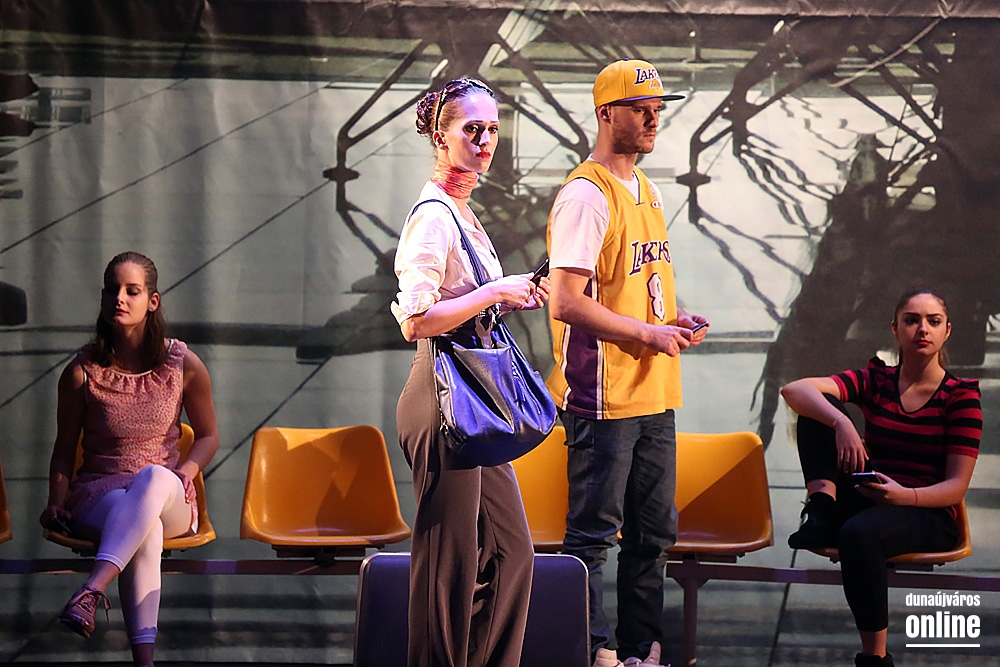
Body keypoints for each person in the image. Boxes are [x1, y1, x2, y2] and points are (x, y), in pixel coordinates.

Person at [545, 58, 707, 664]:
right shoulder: (586, 195)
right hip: (604, 395)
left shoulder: (648, 189)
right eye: (640, 108)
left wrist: (671, 321)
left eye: (657, 109)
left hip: (654, 390)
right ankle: (593, 650)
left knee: (654, 535)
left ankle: (644, 648)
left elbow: (634, 286)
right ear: (606, 112)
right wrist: (646, 332)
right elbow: (565, 301)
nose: (652, 118)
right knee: (592, 538)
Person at [392, 77, 549, 667]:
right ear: (441, 136)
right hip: (443, 394)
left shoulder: (461, 211)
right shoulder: (433, 214)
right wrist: (494, 293)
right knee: (448, 564)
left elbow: (465, 301)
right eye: (472, 130)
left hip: (474, 397)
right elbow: (417, 320)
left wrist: (505, 297)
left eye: (493, 131)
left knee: (511, 553)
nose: (485, 142)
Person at [781, 287, 982, 667]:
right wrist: (842, 422)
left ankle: (875, 658)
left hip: (926, 511)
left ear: (947, 331)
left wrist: (904, 496)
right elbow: (794, 389)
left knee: (859, 534)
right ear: (895, 329)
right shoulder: (878, 380)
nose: (922, 329)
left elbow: (955, 488)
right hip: (872, 494)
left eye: (933, 321)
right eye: (912, 320)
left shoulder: (960, 397)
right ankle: (822, 512)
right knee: (816, 409)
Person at [39, 251, 219, 667]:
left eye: (131, 291)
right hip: (100, 493)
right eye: (111, 290)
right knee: (146, 528)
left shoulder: (183, 364)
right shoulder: (82, 371)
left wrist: (187, 471)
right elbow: (64, 450)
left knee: (153, 479)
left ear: (152, 301)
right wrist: (56, 501)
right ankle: (144, 661)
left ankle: (92, 589)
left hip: (168, 489)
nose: (119, 298)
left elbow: (209, 436)